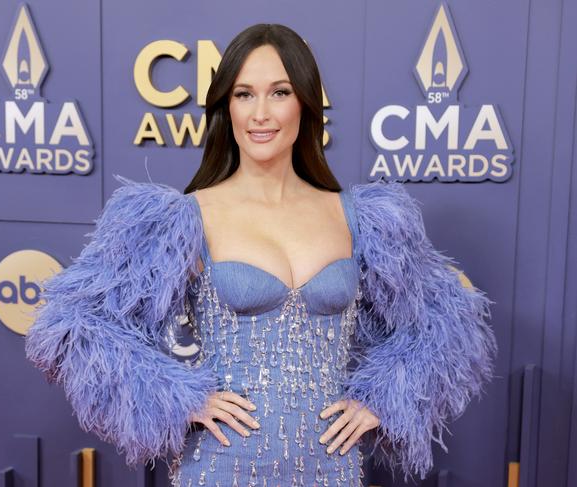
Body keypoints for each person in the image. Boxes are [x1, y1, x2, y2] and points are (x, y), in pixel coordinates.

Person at [25, 23, 497, 487]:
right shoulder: (185, 218)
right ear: (226, 107)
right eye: (244, 94)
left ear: (306, 103)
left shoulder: (361, 218)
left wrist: (384, 400)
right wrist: (173, 397)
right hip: (219, 468)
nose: (260, 114)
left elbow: (450, 323)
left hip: (331, 470)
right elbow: (72, 323)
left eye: (280, 92)